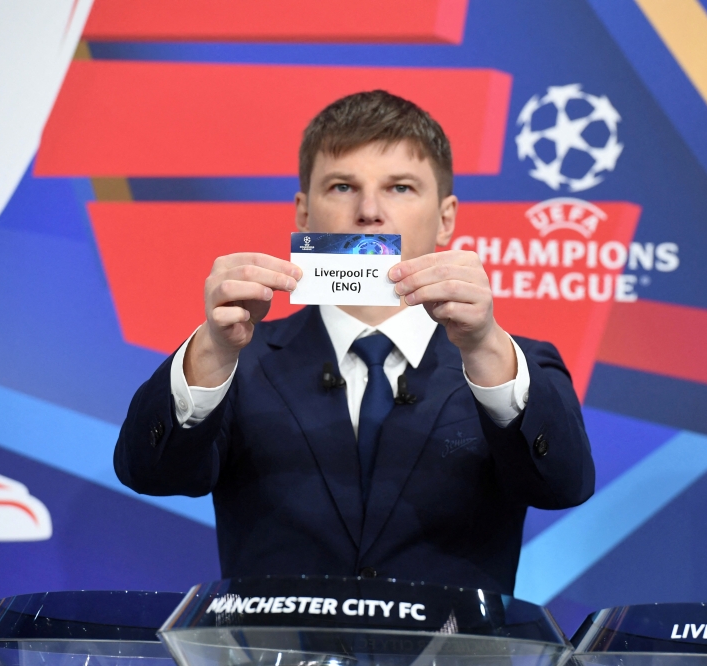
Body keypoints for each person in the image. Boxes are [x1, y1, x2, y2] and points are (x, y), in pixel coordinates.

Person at [115, 90, 595, 595]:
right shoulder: (239, 362)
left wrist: (484, 346)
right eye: (343, 186)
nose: (370, 212)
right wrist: (214, 348)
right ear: (303, 212)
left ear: (446, 217)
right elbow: (150, 473)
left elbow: (564, 485)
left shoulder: (511, 364)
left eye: (401, 188)